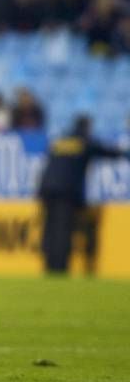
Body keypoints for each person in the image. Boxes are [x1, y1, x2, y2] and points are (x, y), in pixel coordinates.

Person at [38, 115, 129, 274]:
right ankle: (59, 267)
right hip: (66, 192)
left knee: (49, 229)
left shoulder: (60, 142)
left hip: (47, 189)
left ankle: (48, 265)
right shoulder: (84, 142)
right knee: (62, 231)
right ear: (87, 128)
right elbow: (106, 151)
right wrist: (125, 153)